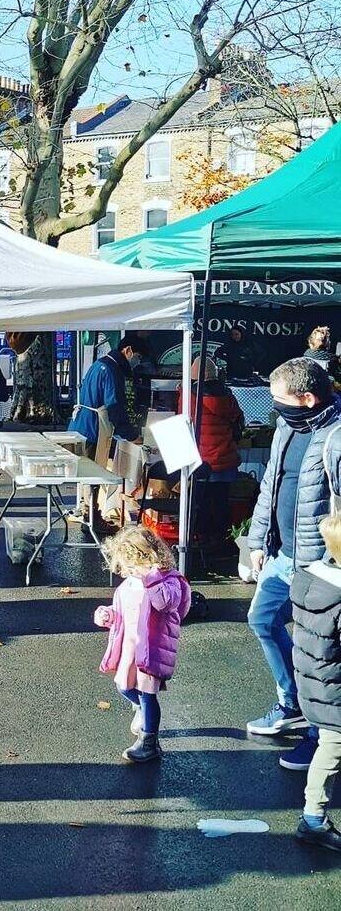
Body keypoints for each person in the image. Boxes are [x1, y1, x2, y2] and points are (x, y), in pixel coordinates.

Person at [246, 358, 341, 773]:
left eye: (280, 401)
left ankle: (321, 735)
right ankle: (293, 703)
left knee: (317, 653)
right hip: (283, 555)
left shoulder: (336, 438)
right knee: (262, 620)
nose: (274, 409)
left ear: (307, 398)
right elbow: (272, 480)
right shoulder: (289, 425)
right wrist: (257, 538)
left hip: (319, 565)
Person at [94, 526, 191, 763]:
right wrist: (108, 615)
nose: (125, 571)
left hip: (152, 648)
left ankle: (149, 741)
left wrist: (151, 576)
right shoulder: (128, 584)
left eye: (129, 564)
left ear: (144, 557)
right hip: (130, 646)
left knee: (148, 695)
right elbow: (122, 611)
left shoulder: (168, 581)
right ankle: (141, 710)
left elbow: (165, 603)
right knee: (124, 686)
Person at [291, 514, 341, 852]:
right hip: (333, 690)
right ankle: (313, 818)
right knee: (333, 749)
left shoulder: (313, 579)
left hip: (316, 683)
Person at [177, 356, 244, 550]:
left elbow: (182, 421)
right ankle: (220, 540)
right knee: (222, 501)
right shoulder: (228, 395)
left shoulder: (190, 395)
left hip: (201, 460)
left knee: (200, 503)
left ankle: (201, 539)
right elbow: (237, 419)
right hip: (225, 457)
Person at [68, 335, 146, 449]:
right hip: (92, 433)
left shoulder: (98, 364)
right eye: (138, 357)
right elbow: (115, 407)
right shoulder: (111, 370)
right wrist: (131, 436)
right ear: (128, 350)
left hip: (79, 428)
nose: (138, 362)